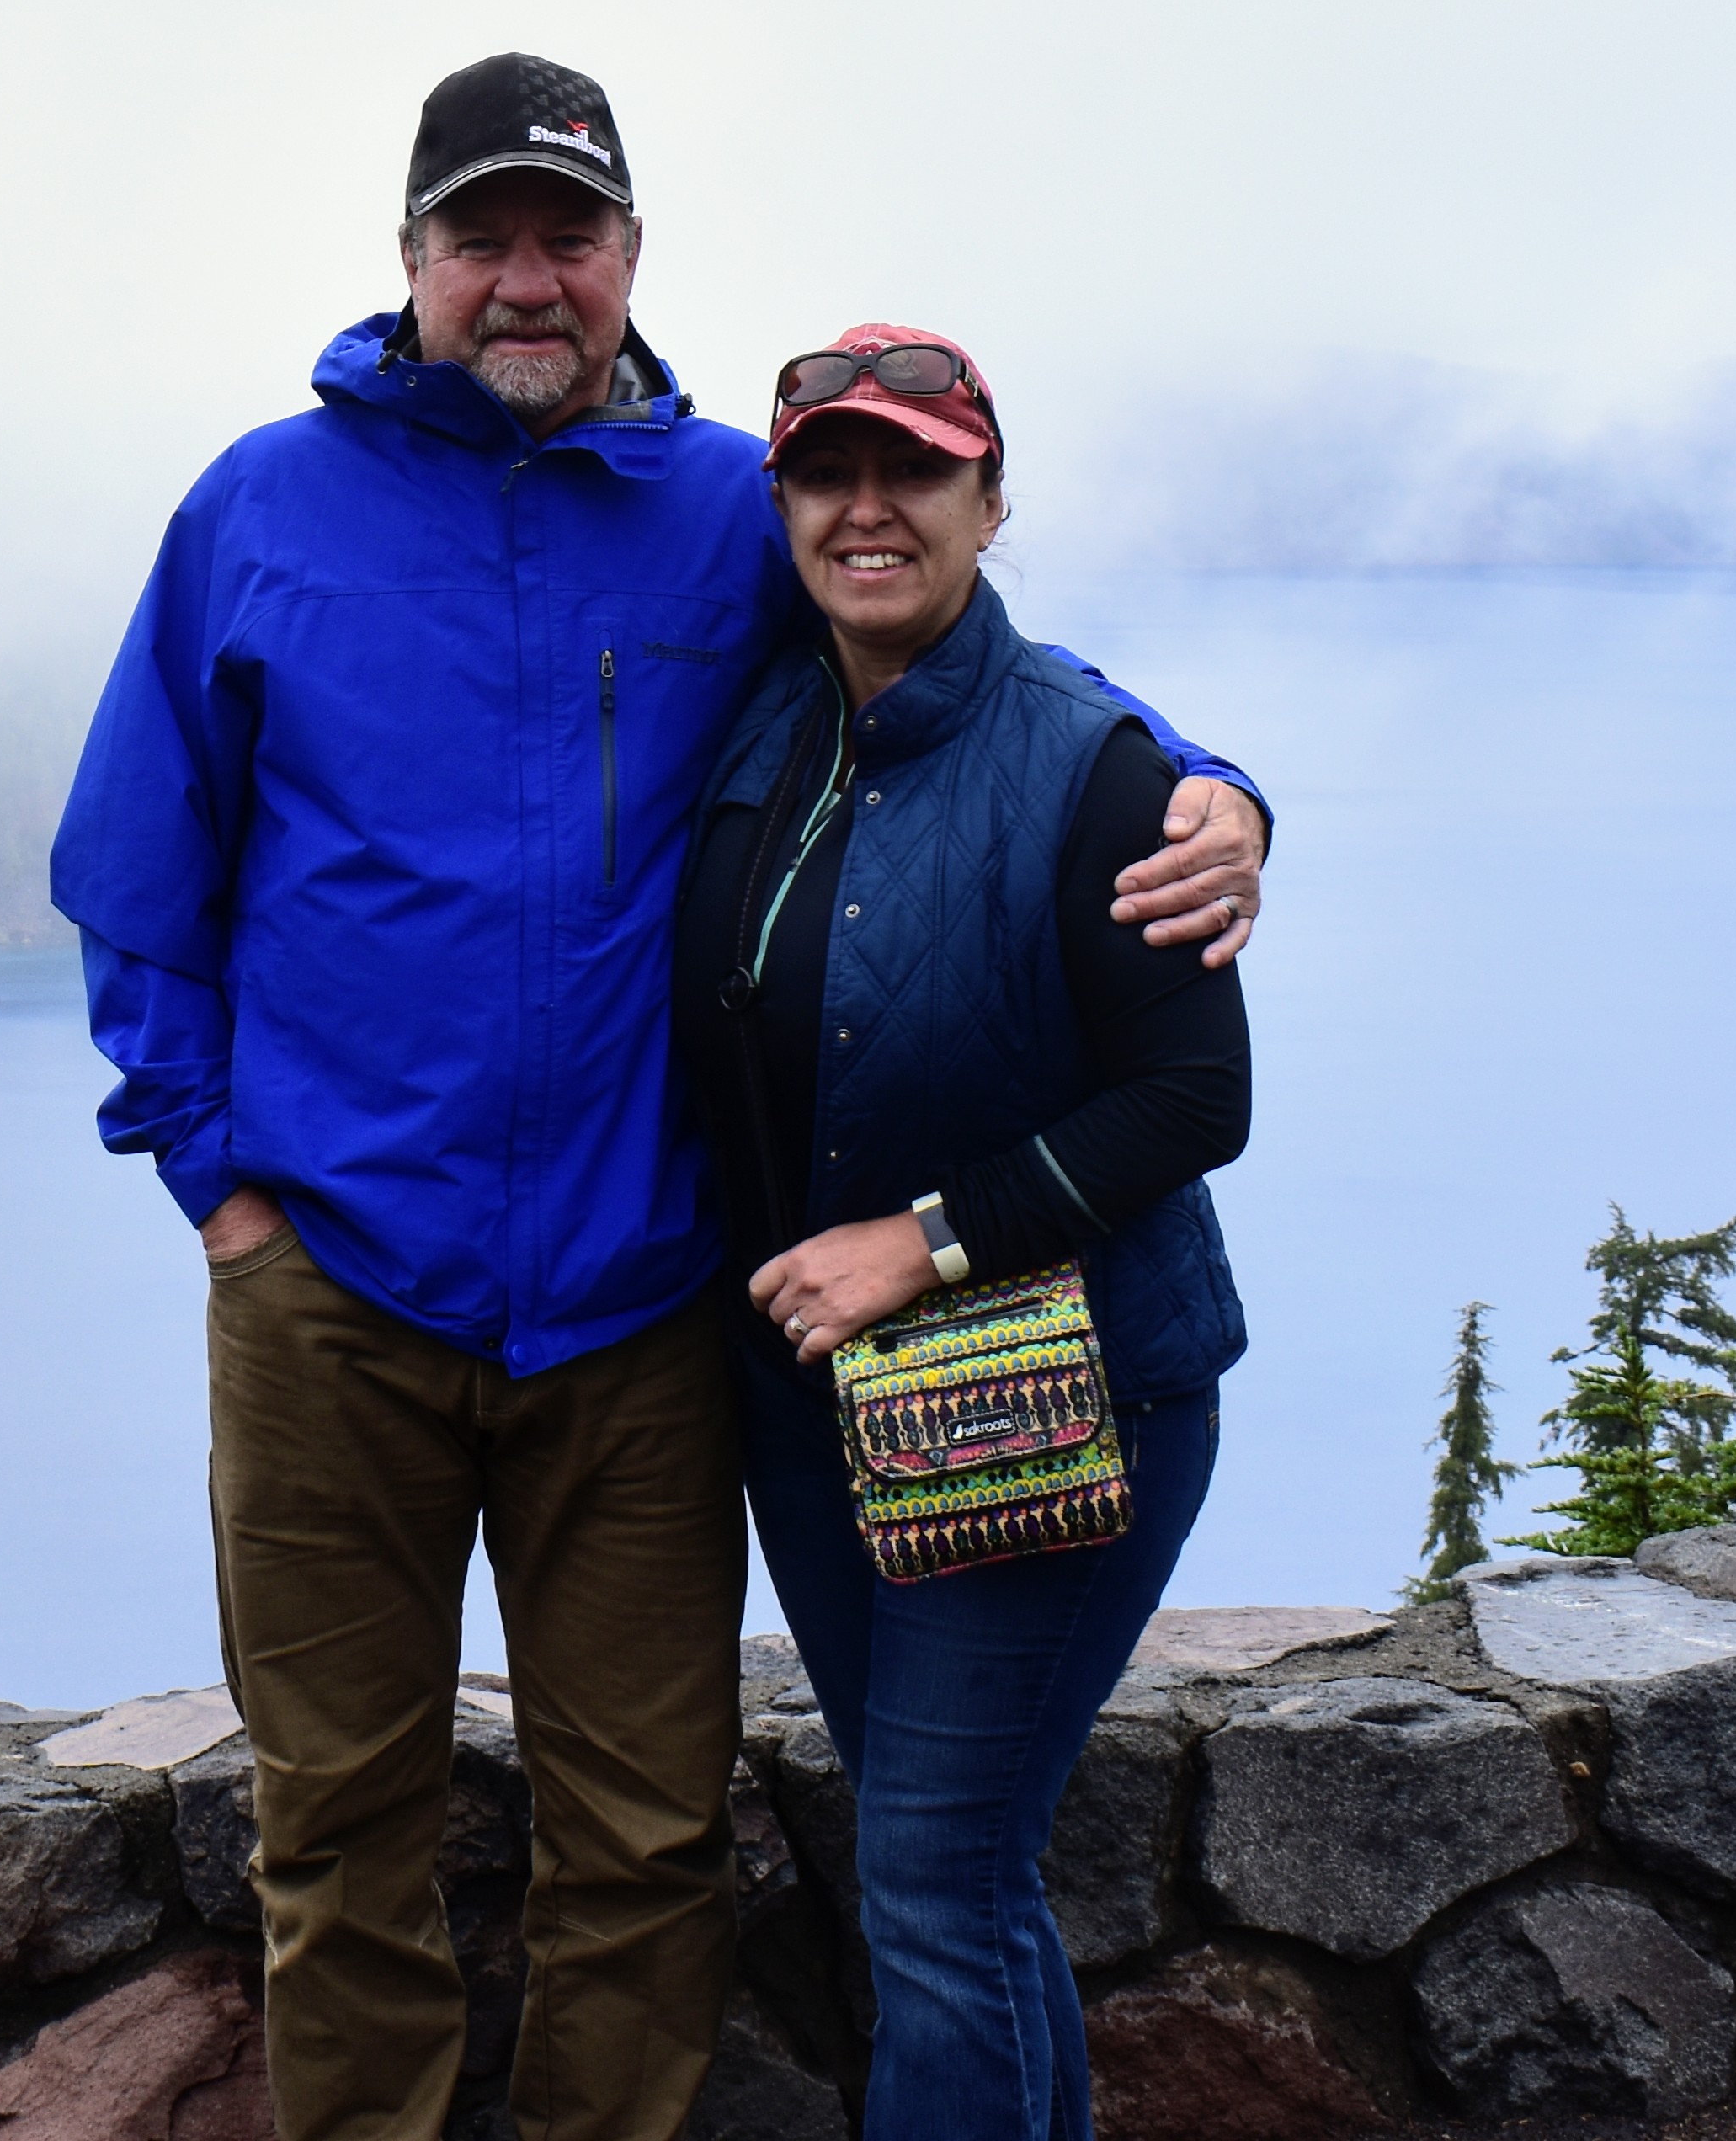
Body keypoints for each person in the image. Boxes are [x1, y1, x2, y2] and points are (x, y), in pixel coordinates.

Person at [51, 57, 1270, 2141]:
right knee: (336, 1841)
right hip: (332, 1292)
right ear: (410, 258)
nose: (526, 280)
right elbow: (137, 873)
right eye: (481, 237)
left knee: (645, 1839)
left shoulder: (736, 499)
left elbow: (986, 675)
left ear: (630, 258)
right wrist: (219, 1188)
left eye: (569, 236)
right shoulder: (259, 509)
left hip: (633, 1309)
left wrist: (1216, 785)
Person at [678, 325, 1252, 2141]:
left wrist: (916, 1242)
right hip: (819, 1397)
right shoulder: (779, 704)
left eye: (915, 471)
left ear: (988, 503)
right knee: (962, 1877)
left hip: (1055, 1382)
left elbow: (1193, 1100)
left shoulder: (1087, 766)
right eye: (830, 472)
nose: (870, 507)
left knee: (933, 1875)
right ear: (781, 506)